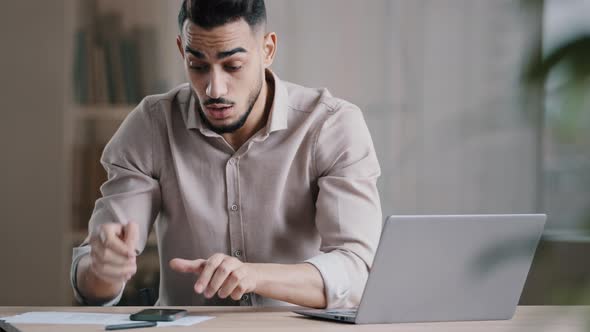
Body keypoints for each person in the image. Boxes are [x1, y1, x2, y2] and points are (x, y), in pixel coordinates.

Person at [71, 0, 382, 309]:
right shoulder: (152, 125)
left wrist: (254, 276)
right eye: (198, 66)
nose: (214, 89)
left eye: (232, 66)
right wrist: (103, 270)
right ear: (182, 50)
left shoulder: (331, 125)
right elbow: (93, 279)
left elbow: (357, 273)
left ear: (267, 50)